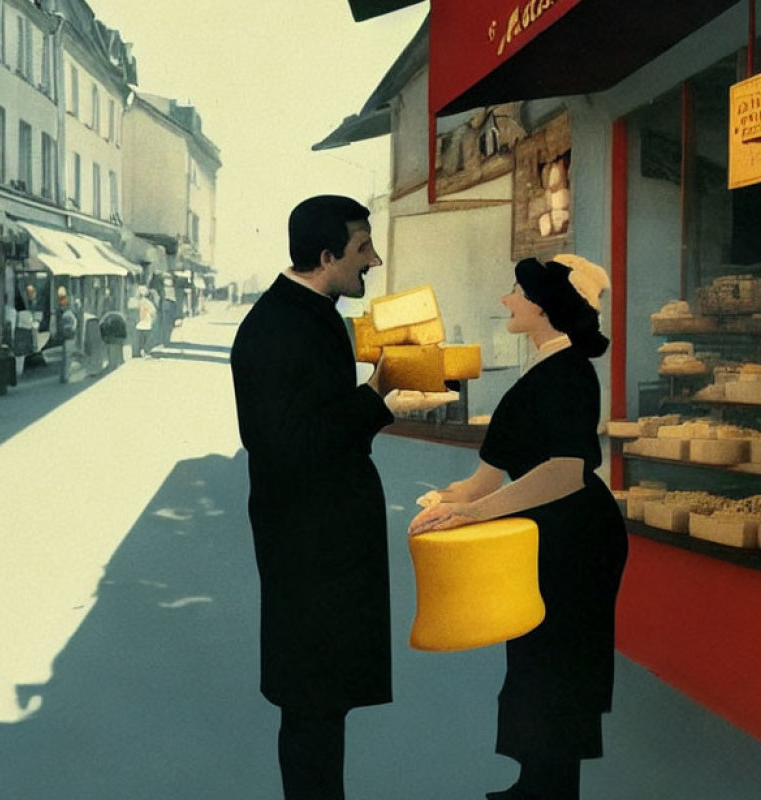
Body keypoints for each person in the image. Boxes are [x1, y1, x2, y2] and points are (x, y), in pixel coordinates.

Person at [408, 256, 629, 800]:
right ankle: (535, 782)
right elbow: (489, 477)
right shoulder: (543, 368)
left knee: (561, 660)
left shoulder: (571, 372)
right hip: (541, 532)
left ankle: (553, 789)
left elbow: (565, 472)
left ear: (543, 305)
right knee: (532, 654)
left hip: (577, 537)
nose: (506, 301)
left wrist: (475, 513)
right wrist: (447, 501)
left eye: (515, 291)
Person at [229, 195, 394, 800]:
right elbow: (288, 443)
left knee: (323, 703)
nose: (374, 260)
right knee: (311, 704)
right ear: (326, 256)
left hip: (323, 547)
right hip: (308, 552)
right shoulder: (278, 326)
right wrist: (378, 394)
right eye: (362, 248)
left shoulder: (310, 311)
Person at [135, 287, 156, 358]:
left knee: (141, 340)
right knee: (146, 339)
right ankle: (145, 351)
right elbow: (153, 312)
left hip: (142, 324)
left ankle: (141, 351)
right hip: (146, 324)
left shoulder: (139, 302)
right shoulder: (147, 302)